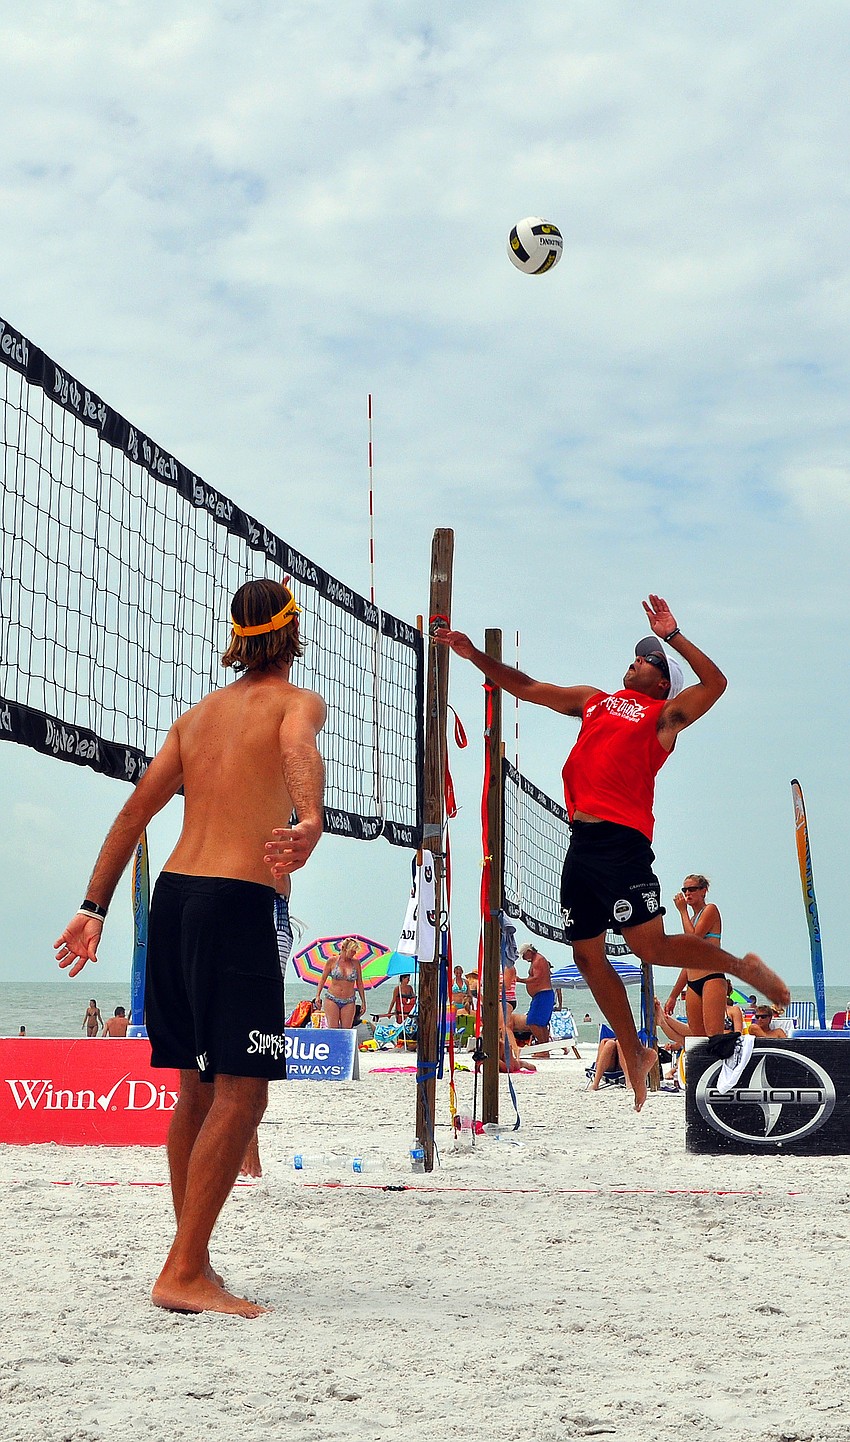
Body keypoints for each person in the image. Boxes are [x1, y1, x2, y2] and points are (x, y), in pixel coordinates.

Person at [54, 577, 325, 1317]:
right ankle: (182, 1270)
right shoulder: (295, 704)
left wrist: (93, 906)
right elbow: (300, 752)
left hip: (172, 902)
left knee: (194, 1090)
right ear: (293, 636)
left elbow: (136, 809)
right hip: (234, 903)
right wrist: (308, 820)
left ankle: (191, 1259)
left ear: (236, 640)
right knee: (244, 1093)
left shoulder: (197, 716)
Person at [437, 595, 790, 1111]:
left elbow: (716, 684)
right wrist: (473, 655)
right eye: (637, 653)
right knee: (585, 955)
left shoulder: (664, 717)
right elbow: (531, 688)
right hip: (582, 842)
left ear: (663, 681)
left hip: (624, 843)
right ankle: (634, 1048)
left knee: (651, 949)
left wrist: (673, 636)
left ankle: (741, 966)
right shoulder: (594, 699)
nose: (637, 659)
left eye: (648, 658)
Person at [661, 874, 727, 1038]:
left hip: (711, 977)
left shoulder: (710, 909)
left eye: (692, 889)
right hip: (693, 981)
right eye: (685, 890)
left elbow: (694, 939)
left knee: (714, 1036)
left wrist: (682, 911)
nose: (687, 893)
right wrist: (673, 995)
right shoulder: (690, 920)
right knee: (697, 1037)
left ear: (703, 891)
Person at [510, 942, 557, 1052]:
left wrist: (520, 980)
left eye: (524, 955)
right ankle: (544, 1049)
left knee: (532, 1021)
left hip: (543, 994)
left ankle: (543, 1048)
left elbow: (537, 978)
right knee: (541, 1024)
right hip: (542, 995)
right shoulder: (538, 960)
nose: (523, 958)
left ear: (529, 952)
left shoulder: (538, 961)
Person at [315, 938, 367, 1028]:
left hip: (349, 1000)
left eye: (355, 952)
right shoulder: (332, 961)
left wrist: (363, 1002)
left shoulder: (356, 963)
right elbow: (323, 979)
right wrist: (318, 996)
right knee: (333, 1030)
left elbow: (360, 983)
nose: (354, 954)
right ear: (344, 948)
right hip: (332, 998)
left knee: (346, 1030)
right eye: (352, 951)